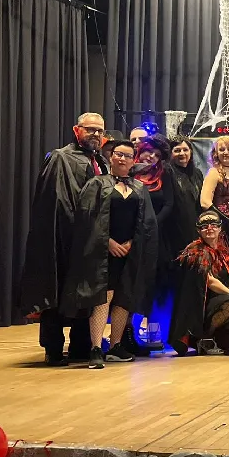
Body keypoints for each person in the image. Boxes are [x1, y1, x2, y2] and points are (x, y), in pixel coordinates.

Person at [19, 111, 108, 366]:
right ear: (77, 130)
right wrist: (74, 231)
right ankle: (54, 348)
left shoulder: (101, 162)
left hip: (91, 240)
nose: (95, 134)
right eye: (90, 129)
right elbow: (53, 201)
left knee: (86, 294)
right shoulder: (60, 157)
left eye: (99, 130)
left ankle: (81, 345)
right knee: (57, 292)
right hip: (64, 237)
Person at [61, 140, 158, 369]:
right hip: (102, 252)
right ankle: (96, 347)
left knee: (124, 296)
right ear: (111, 157)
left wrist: (132, 243)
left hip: (130, 252)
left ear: (134, 161)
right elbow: (87, 219)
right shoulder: (96, 184)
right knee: (104, 296)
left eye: (127, 155)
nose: (122, 159)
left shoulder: (139, 188)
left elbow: (147, 222)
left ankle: (115, 346)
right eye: (118, 154)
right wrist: (108, 242)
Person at [170, 210, 229, 356]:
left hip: (221, 302)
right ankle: (204, 339)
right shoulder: (195, 252)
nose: (209, 228)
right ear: (198, 230)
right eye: (204, 225)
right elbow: (209, 281)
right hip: (200, 308)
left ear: (220, 228)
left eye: (213, 224)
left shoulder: (224, 252)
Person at [133, 135, 176, 350]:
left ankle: (153, 333)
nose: (151, 157)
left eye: (157, 155)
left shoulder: (164, 174)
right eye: (148, 151)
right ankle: (128, 334)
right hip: (131, 237)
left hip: (157, 237)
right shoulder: (128, 173)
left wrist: (152, 224)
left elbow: (169, 204)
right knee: (133, 285)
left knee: (156, 285)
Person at [200, 136, 229, 249]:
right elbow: (205, 202)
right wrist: (226, 220)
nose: (226, 152)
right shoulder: (214, 172)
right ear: (216, 153)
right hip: (220, 227)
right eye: (221, 149)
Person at [169, 138, 204, 252]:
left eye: (185, 150)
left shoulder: (197, 173)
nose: (182, 153)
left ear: (191, 152)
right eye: (177, 150)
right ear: (170, 153)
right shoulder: (167, 172)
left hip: (197, 228)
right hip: (175, 229)